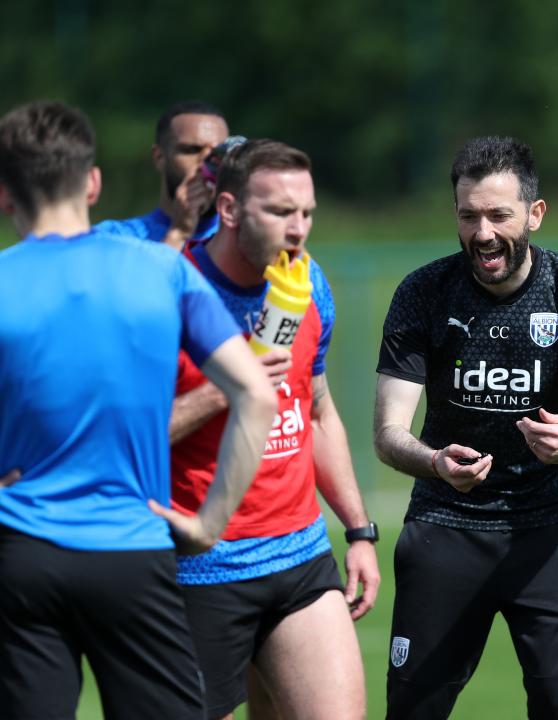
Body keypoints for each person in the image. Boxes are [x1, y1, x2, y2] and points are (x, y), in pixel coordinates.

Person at [0, 101, 276, 719]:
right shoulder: (162, 272)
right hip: (132, 548)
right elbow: (255, 393)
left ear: (4, 195)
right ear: (92, 183)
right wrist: (208, 524)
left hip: (20, 552)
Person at [375, 135, 558, 719]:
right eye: (468, 216)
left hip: (552, 528)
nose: (482, 233)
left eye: (498, 215)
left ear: (534, 215)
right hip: (445, 525)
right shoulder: (423, 292)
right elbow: (389, 433)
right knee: (412, 710)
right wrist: (436, 462)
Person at [169, 138, 380, 720]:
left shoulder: (308, 284)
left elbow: (316, 413)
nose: (299, 229)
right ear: (231, 210)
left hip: (299, 560)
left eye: (307, 212)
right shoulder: (171, 292)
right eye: (281, 212)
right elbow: (124, 435)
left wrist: (359, 531)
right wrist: (224, 390)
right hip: (196, 570)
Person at [97, 100, 229, 249]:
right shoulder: (113, 237)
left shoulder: (250, 237)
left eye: (218, 153)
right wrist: (178, 234)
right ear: (159, 157)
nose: (206, 163)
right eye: (191, 150)